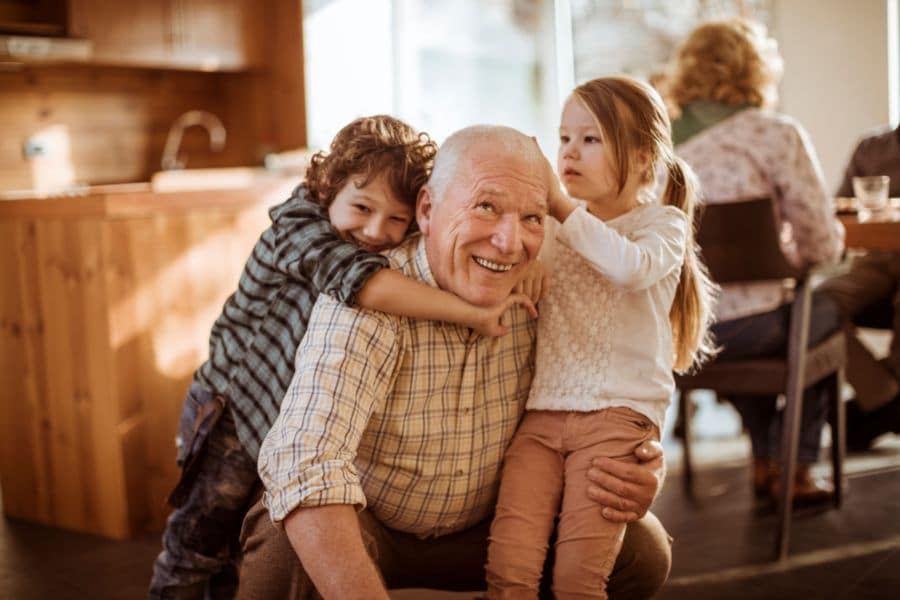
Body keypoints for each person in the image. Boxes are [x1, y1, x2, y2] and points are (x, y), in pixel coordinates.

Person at [237, 125, 672, 599]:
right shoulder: (368, 296)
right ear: (426, 210)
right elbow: (305, 460)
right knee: (287, 536)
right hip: (373, 525)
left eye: (532, 217)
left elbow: (615, 383)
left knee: (642, 549)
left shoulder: (544, 288)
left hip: (492, 528)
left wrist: (638, 462)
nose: (509, 242)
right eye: (486, 207)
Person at [149, 115, 540, 599]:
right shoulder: (299, 225)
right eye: (361, 207)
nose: (377, 231)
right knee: (196, 547)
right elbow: (362, 283)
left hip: (277, 419)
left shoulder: (377, 241)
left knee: (232, 554)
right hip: (233, 411)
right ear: (325, 190)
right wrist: (471, 312)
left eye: (396, 219)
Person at [483, 77, 716, 599]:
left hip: (616, 417)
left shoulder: (662, 225)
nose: (569, 152)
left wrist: (563, 209)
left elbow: (628, 269)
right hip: (542, 417)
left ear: (640, 158)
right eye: (564, 138)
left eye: (590, 139)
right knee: (508, 573)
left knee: (576, 582)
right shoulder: (556, 228)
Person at [667, 17, 845, 503]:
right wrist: (796, 260)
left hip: (684, 332)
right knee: (820, 316)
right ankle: (797, 466)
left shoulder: (663, 146)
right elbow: (823, 246)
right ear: (756, 71)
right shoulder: (775, 135)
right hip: (755, 326)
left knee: (753, 326)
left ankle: (767, 459)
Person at [819, 124, 900, 450]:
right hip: (875, 262)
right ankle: (885, 398)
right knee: (815, 306)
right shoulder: (871, 148)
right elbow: (841, 210)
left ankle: (880, 408)